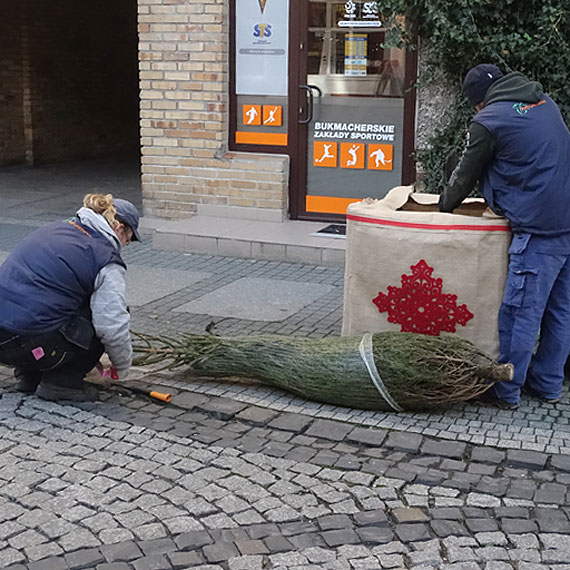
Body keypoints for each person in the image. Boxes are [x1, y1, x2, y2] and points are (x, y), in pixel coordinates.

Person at [439, 64, 570, 409]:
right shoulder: (545, 102)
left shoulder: (490, 120)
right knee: (560, 310)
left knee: (520, 312)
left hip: (539, 228)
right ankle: (547, 384)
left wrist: (443, 208)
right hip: (566, 222)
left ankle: (505, 390)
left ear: (477, 102)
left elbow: (465, 174)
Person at [0, 193, 141, 402]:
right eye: (127, 240)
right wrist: (121, 368)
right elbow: (112, 326)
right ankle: (61, 384)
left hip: (4, 341)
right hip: (32, 344)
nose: (123, 247)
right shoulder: (104, 258)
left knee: (45, 305)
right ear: (120, 228)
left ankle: (28, 378)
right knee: (99, 314)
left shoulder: (56, 229)